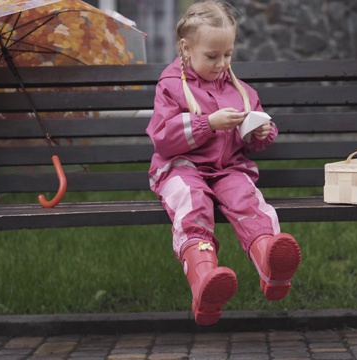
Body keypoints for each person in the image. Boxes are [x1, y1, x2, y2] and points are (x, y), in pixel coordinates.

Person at [146, 0, 301, 326]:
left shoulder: (239, 89)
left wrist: (261, 130)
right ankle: (204, 278)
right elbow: (162, 136)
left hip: (228, 168)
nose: (222, 63)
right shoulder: (172, 85)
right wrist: (208, 123)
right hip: (181, 168)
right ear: (186, 49)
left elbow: (254, 139)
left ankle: (270, 260)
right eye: (212, 56)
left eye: (228, 54)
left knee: (245, 196)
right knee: (193, 202)